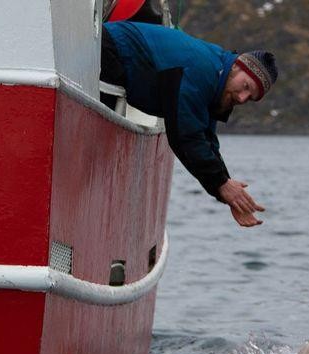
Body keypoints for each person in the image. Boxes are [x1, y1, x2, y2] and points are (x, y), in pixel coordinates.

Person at [100, 21, 278, 227]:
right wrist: (221, 185)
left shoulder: (217, 79)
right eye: (245, 86)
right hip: (110, 47)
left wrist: (227, 190)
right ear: (237, 66)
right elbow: (185, 135)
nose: (242, 97)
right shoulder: (202, 69)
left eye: (250, 97)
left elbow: (206, 139)